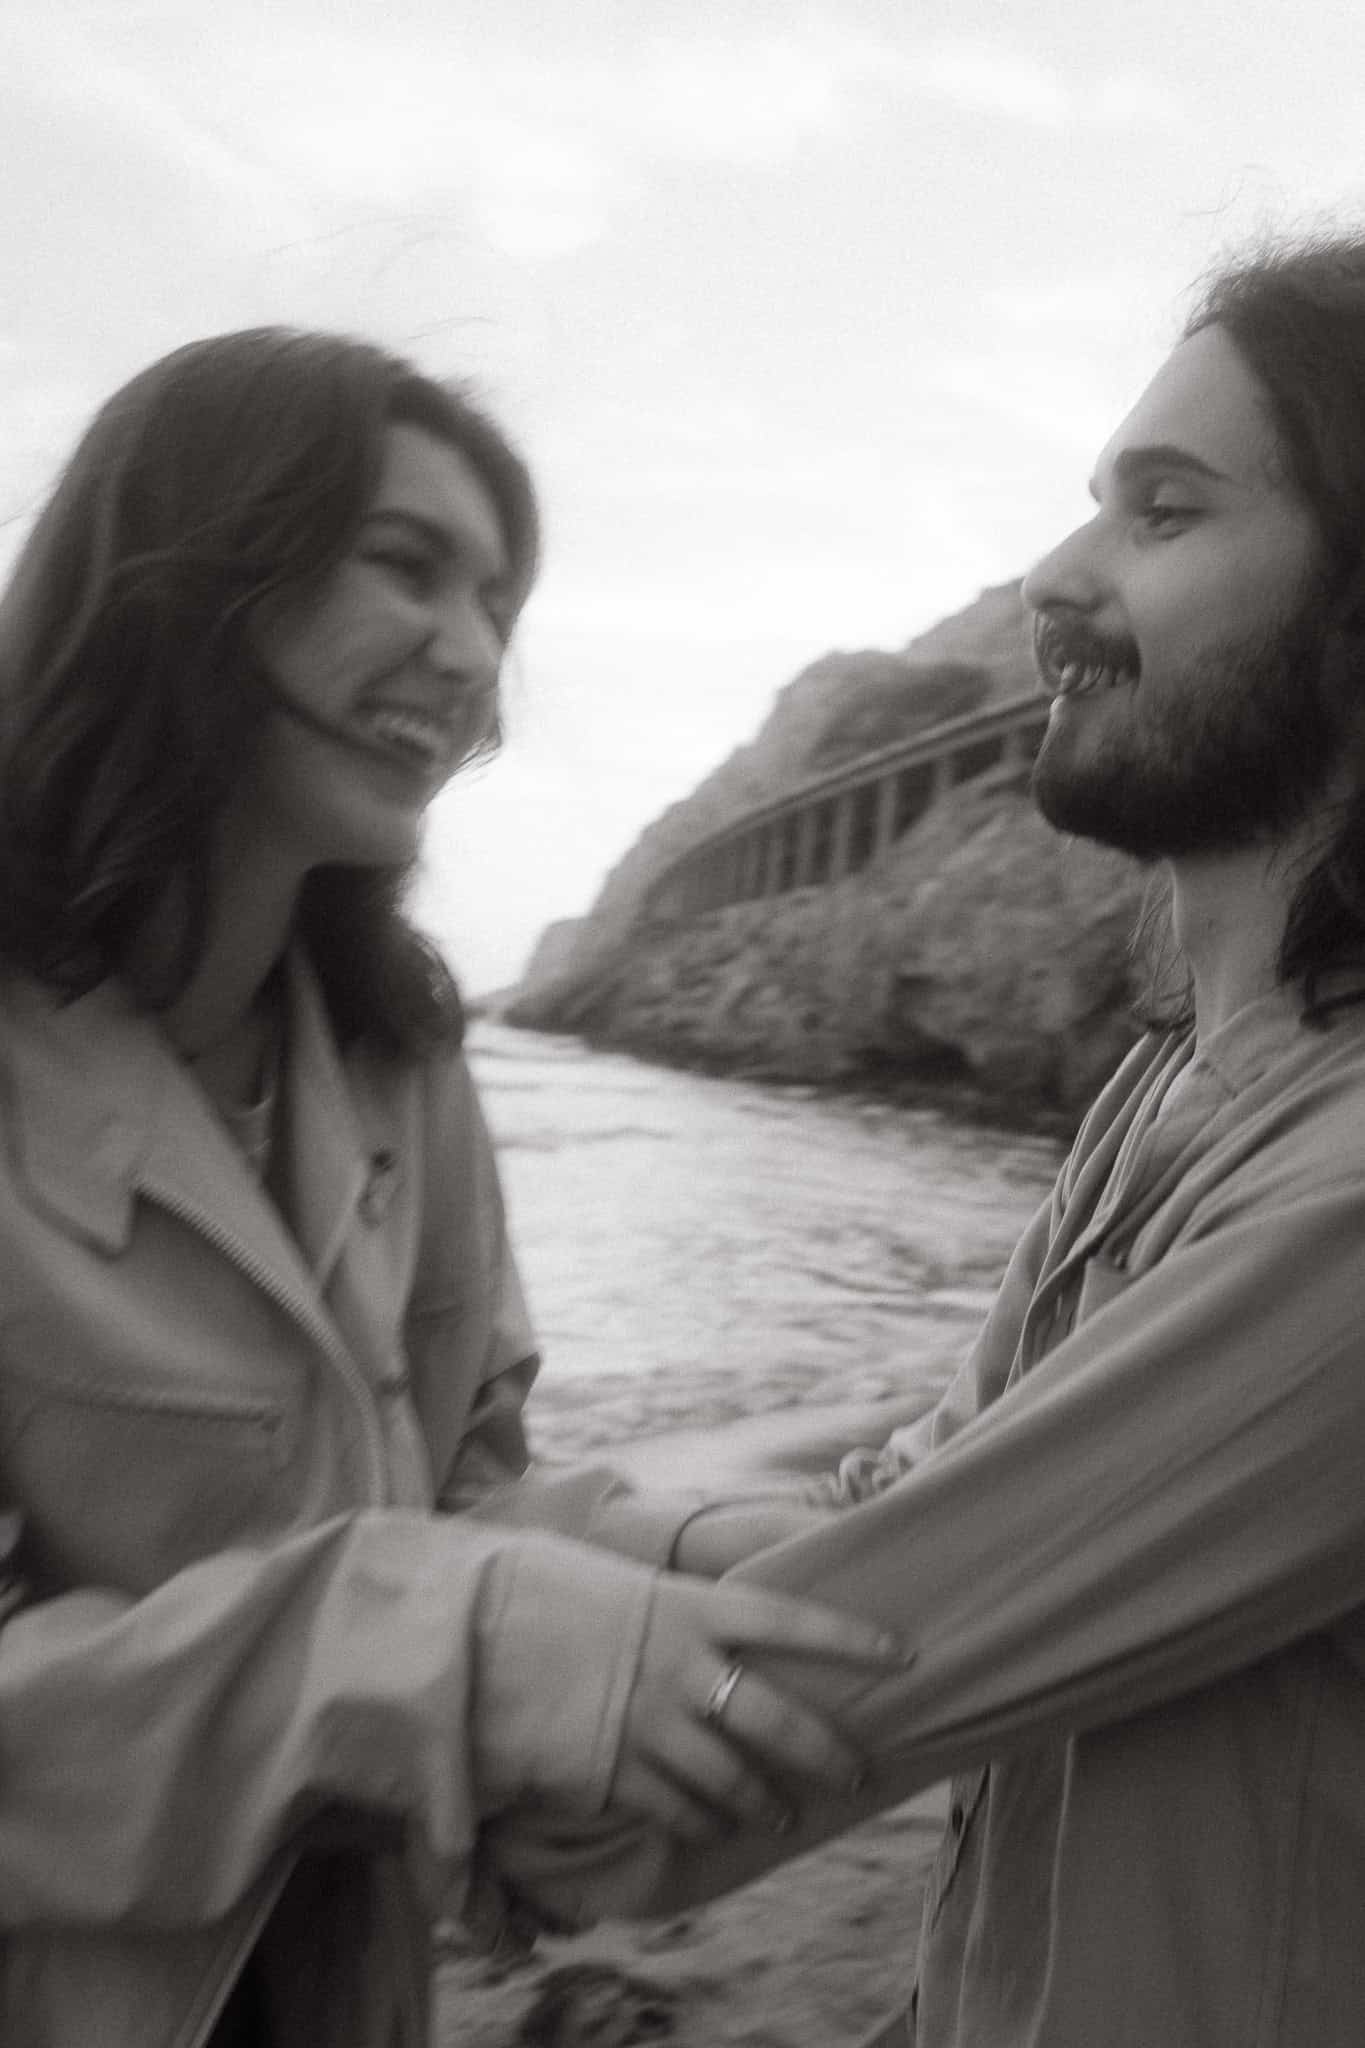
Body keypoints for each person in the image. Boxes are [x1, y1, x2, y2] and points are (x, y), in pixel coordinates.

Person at [487, 230, 1365, 2047]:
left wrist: (345, 1603)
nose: (1054, 579)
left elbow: (765, 1713)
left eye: (1163, 510)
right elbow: (901, 1516)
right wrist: (547, 1520)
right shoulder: (1171, 1088)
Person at [0, 327, 908, 2048]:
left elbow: (457, 1488)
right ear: (185, 572)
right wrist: (451, 1644)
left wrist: (684, 1565)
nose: (472, 655)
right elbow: (414, 1600)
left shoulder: (399, 1054)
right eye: (405, 567)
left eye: (499, 602)